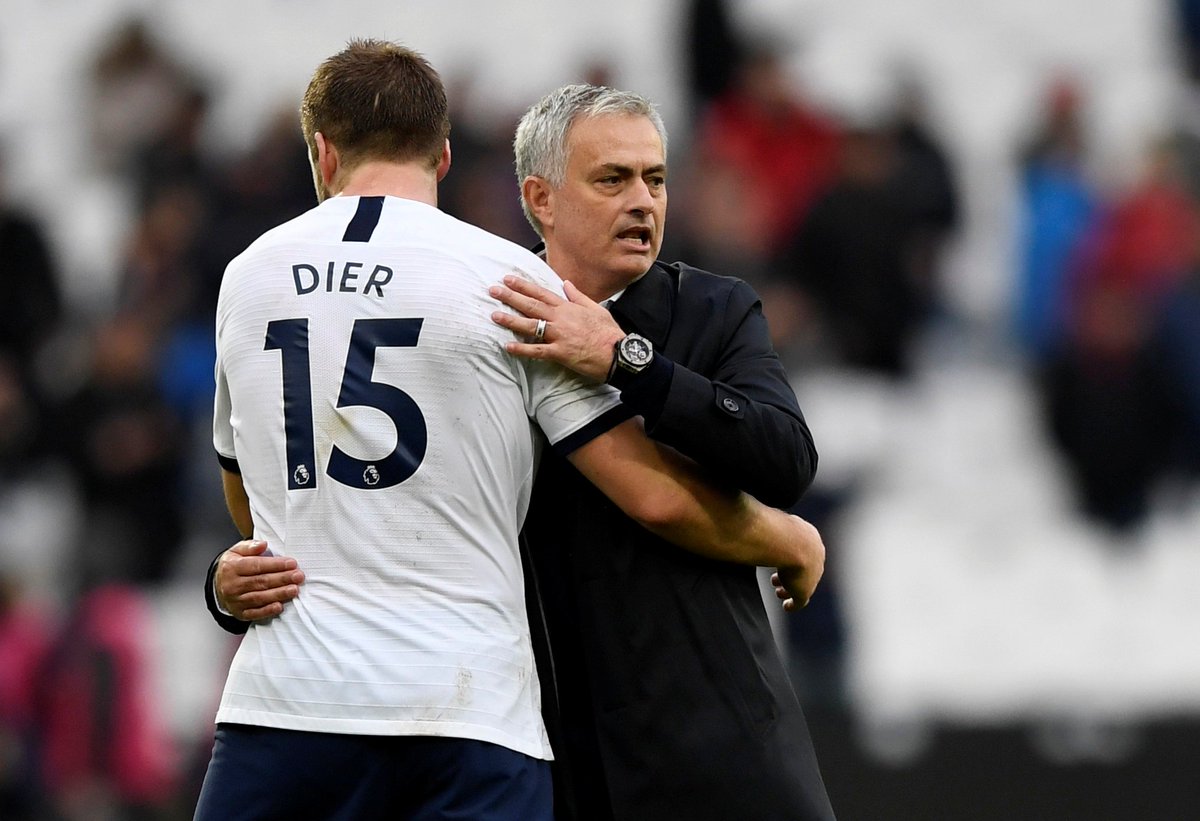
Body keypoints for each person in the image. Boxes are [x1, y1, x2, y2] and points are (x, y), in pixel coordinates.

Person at [196, 42, 823, 821]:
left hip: (291, 704)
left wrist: (233, 581)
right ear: (446, 155)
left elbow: (253, 512)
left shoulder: (248, 274)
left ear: (322, 153)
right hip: (472, 708)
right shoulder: (507, 287)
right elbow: (652, 493)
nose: (643, 201)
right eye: (614, 179)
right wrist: (785, 538)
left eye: (655, 179)